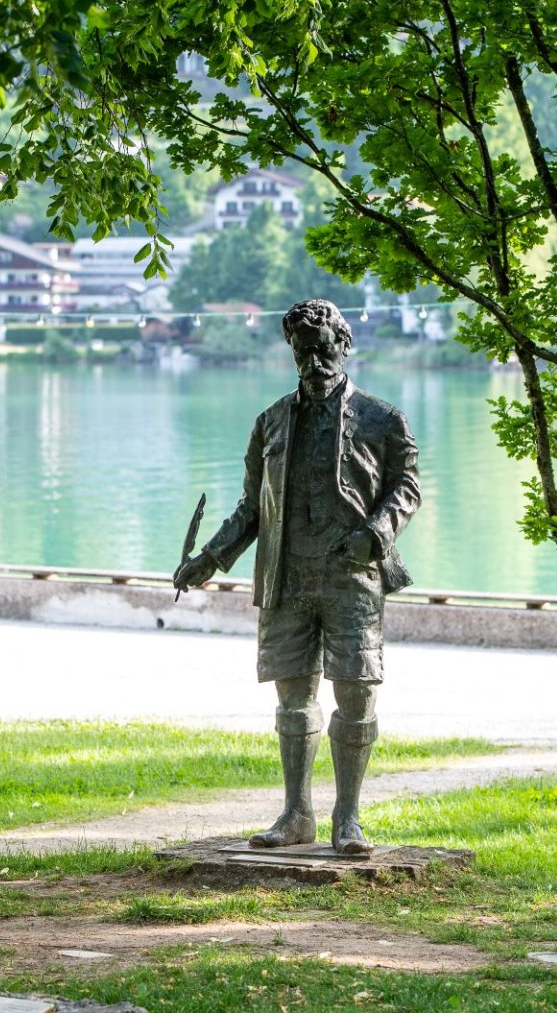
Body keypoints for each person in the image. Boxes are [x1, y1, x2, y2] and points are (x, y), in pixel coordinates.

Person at [173, 299, 421, 856]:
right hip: (286, 574)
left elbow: (406, 488)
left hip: (352, 577)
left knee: (356, 692)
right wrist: (209, 558)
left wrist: (375, 534)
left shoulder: (383, 419)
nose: (314, 362)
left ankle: (348, 817)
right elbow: (251, 507)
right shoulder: (270, 422)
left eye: (323, 349)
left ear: (344, 345)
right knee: (292, 698)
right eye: (302, 352)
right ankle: (295, 814)